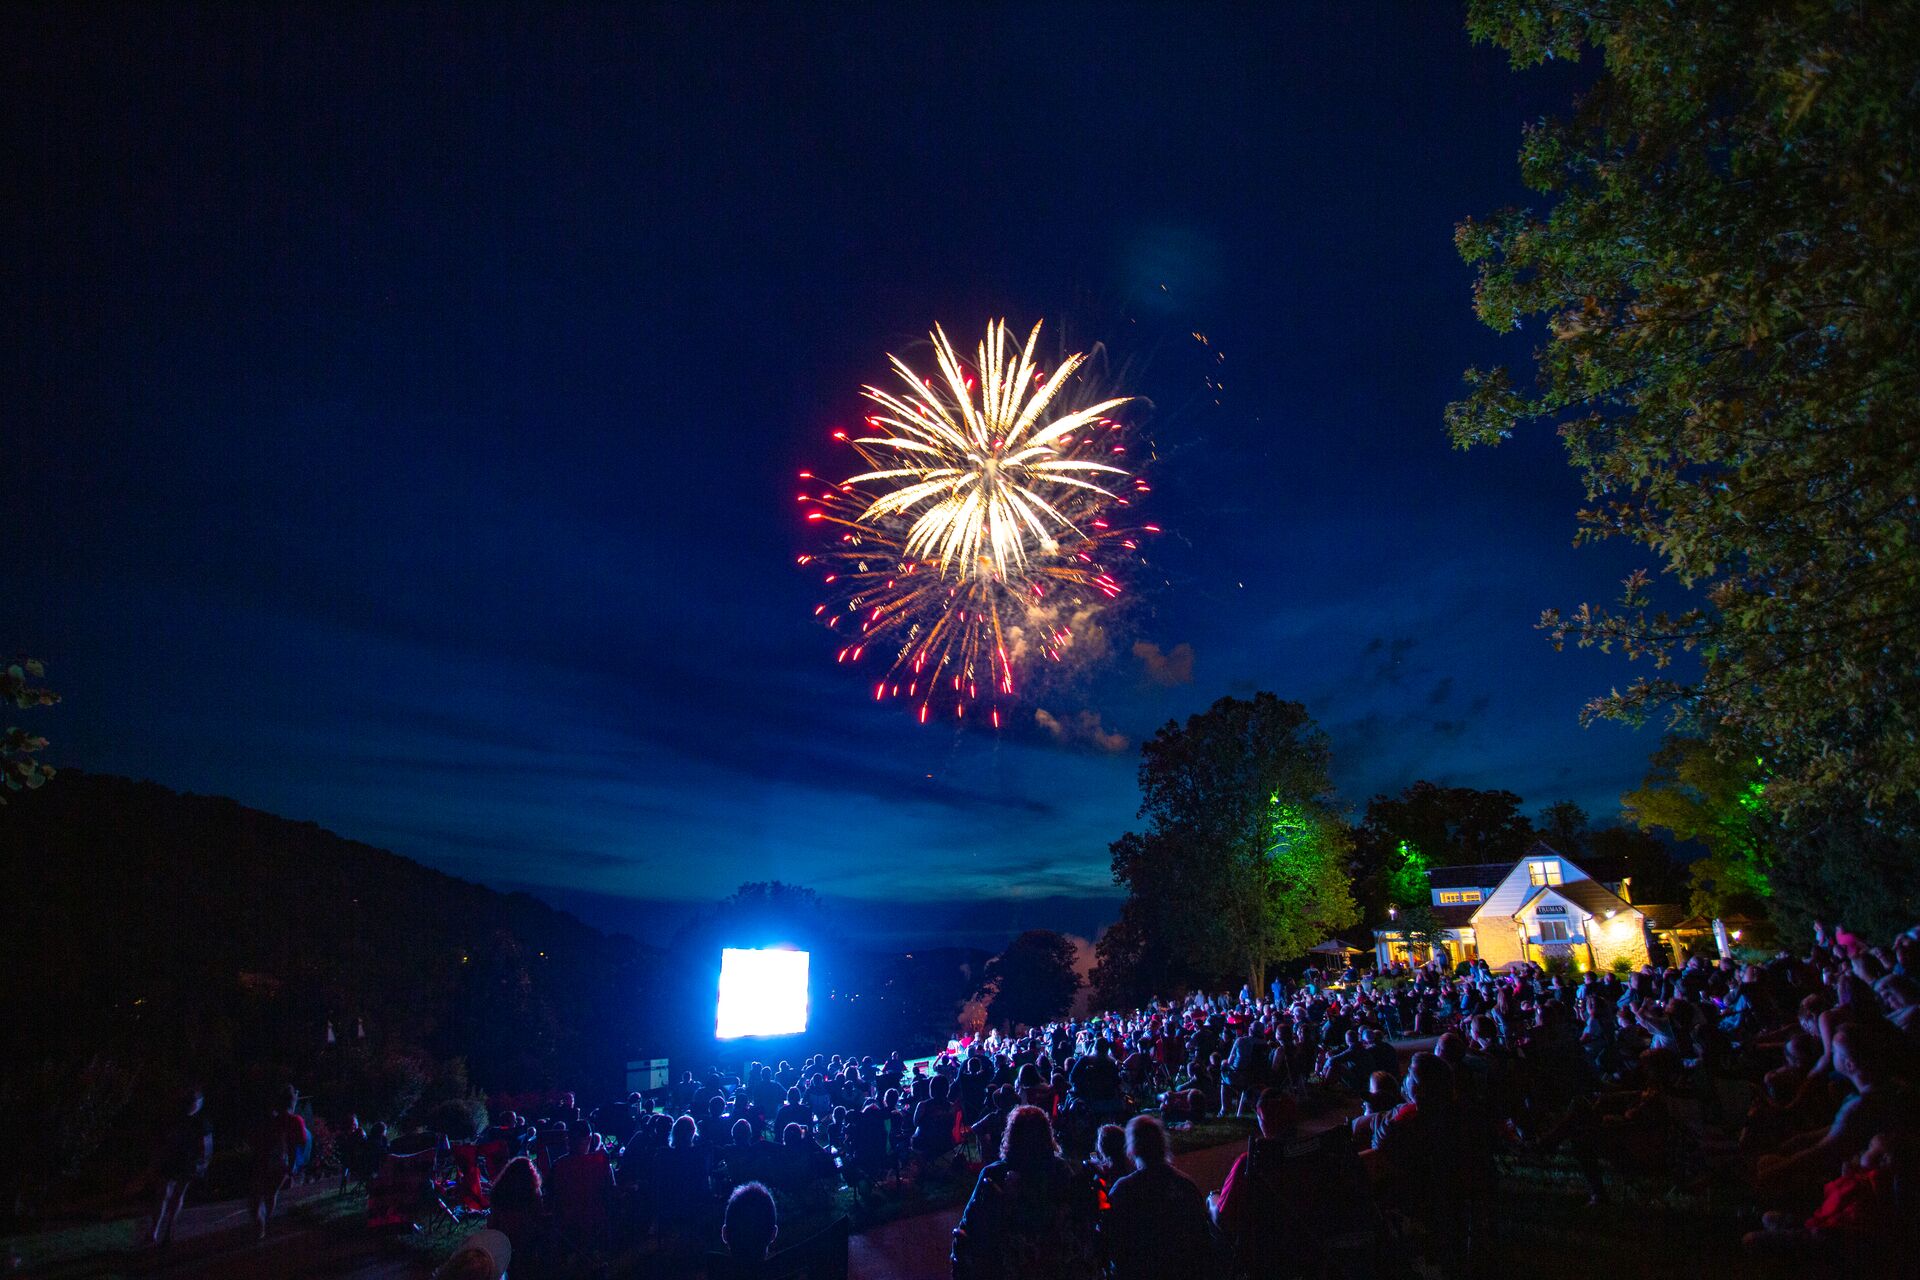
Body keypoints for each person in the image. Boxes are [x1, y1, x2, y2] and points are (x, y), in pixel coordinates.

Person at [952, 1105, 1100, 1280]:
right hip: (1057, 1260)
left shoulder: (995, 1173)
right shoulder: (1060, 1169)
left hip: (1008, 1262)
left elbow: (970, 1218)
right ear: (1047, 1135)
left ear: (1011, 1135)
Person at [1103, 1115, 1212, 1280]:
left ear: (1131, 1150)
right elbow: (1202, 1241)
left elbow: (1110, 1242)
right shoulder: (1186, 1185)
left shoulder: (1123, 1190)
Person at [147, 1085, 211, 1247]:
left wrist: (202, 1164)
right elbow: (160, 1141)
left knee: (175, 1194)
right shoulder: (174, 1119)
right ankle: (156, 1231)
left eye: (194, 1102)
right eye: (190, 1102)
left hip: (187, 1163)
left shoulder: (200, 1123)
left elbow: (206, 1146)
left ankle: (167, 1230)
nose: (192, 1105)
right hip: (172, 1160)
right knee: (164, 1194)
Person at [247, 1084, 309, 1243]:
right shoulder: (295, 1120)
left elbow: (256, 1140)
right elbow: (301, 1143)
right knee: (270, 1193)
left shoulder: (271, 1119)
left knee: (258, 1195)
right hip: (283, 1163)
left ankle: (260, 1225)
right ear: (292, 1102)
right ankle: (264, 1223)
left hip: (265, 1161)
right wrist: (293, 1167)